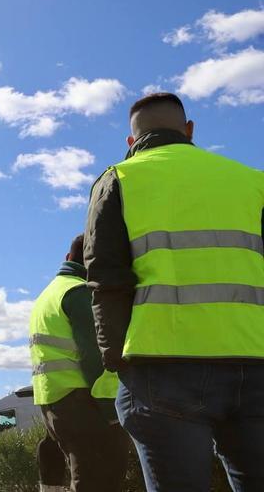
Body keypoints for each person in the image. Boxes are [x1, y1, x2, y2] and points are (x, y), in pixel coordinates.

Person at [85, 92, 264, 491]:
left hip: (163, 367)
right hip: (256, 362)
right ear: (189, 130)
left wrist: (117, 359)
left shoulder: (119, 179)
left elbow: (105, 279)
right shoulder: (253, 181)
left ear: (130, 143)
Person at [28, 234, 128, 492]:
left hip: (54, 404)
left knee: (84, 477)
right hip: (85, 403)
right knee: (101, 480)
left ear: (67, 258)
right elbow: (95, 355)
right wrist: (111, 411)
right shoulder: (79, 292)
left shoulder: (46, 296)